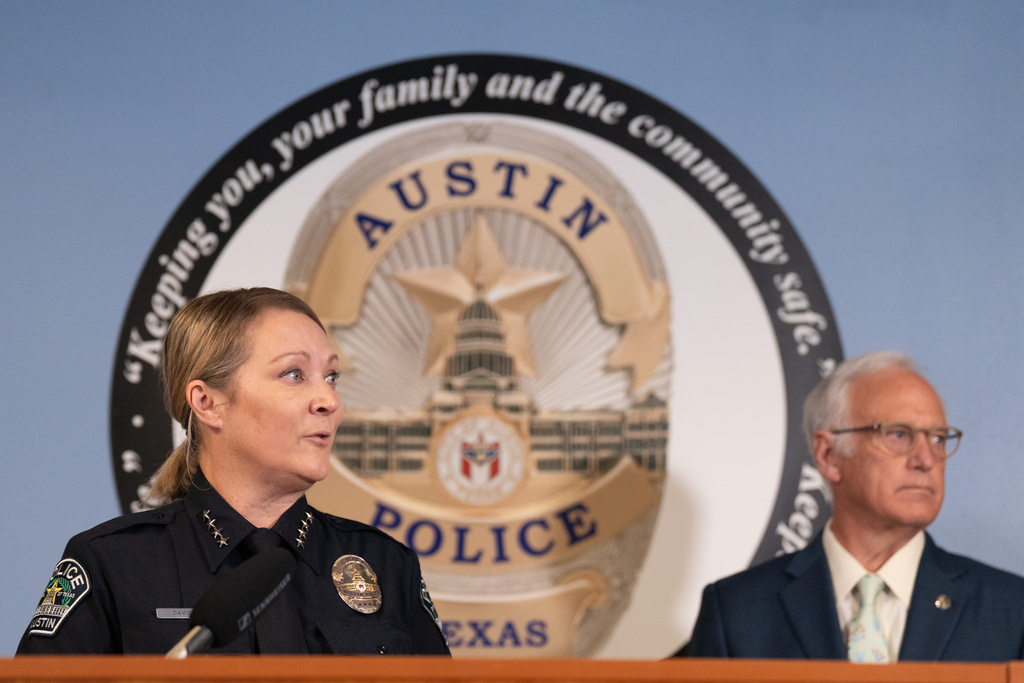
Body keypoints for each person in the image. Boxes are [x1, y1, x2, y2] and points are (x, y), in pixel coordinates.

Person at [18, 287, 450, 655]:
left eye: (332, 377)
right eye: (294, 374)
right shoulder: (112, 564)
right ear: (207, 403)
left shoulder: (386, 565)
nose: (329, 400)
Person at [684, 351, 1024, 662]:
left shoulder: (1010, 610)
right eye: (898, 435)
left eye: (937, 438)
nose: (925, 459)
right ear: (829, 456)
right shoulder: (738, 612)